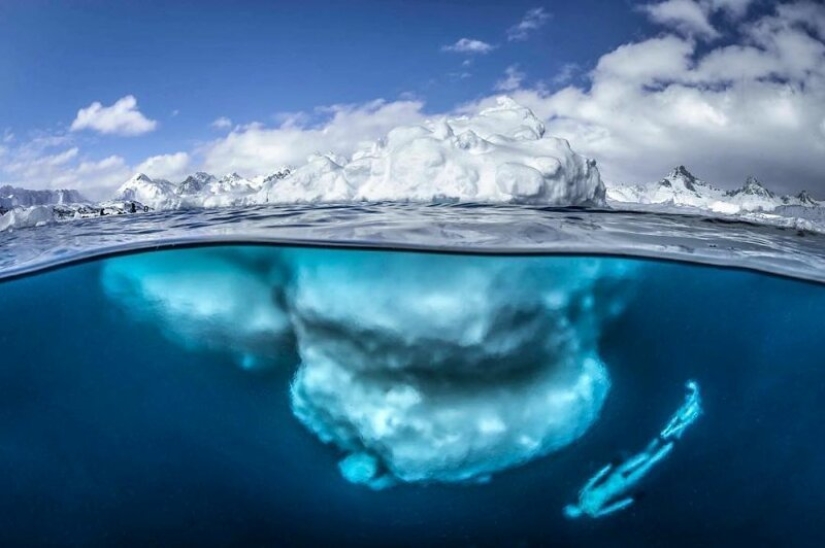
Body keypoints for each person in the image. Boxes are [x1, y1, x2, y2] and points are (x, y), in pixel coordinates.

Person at [564, 380, 702, 519]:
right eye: (571, 511)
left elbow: (595, 478)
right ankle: (686, 422)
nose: (572, 509)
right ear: (575, 515)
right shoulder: (594, 513)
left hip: (617, 474)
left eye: (570, 509)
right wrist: (632, 499)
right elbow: (614, 506)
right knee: (650, 461)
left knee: (645, 454)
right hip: (624, 483)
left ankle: (682, 416)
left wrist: (610, 465)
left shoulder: (582, 496)